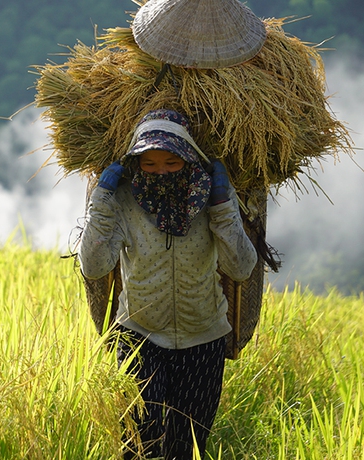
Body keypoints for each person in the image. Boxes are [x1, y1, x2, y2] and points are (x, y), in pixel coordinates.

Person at [78, 109, 258, 459]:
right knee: (139, 445)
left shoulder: (213, 198)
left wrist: (222, 208)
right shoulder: (124, 201)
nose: (160, 172)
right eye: (149, 164)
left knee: (188, 447)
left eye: (172, 163)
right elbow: (94, 265)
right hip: (140, 335)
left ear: (190, 159)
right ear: (136, 164)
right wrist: (100, 200)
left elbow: (241, 268)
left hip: (203, 338)